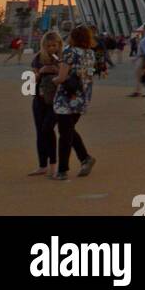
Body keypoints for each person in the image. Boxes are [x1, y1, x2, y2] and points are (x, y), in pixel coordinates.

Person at [50, 25, 96, 181]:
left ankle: (62, 170)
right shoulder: (90, 53)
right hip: (82, 97)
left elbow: (62, 77)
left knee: (65, 134)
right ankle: (85, 158)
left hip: (66, 98)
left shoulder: (69, 52)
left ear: (73, 37)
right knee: (68, 130)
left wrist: (53, 80)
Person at [29, 32, 63, 175]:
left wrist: (57, 70)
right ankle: (42, 164)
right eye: (48, 46)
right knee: (40, 133)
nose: (51, 49)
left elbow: (67, 77)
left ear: (59, 45)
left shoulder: (62, 58)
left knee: (47, 129)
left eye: (54, 45)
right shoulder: (38, 58)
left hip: (56, 100)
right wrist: (41, 72)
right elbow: (32, 81)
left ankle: (53, 164)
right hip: (40, 99)